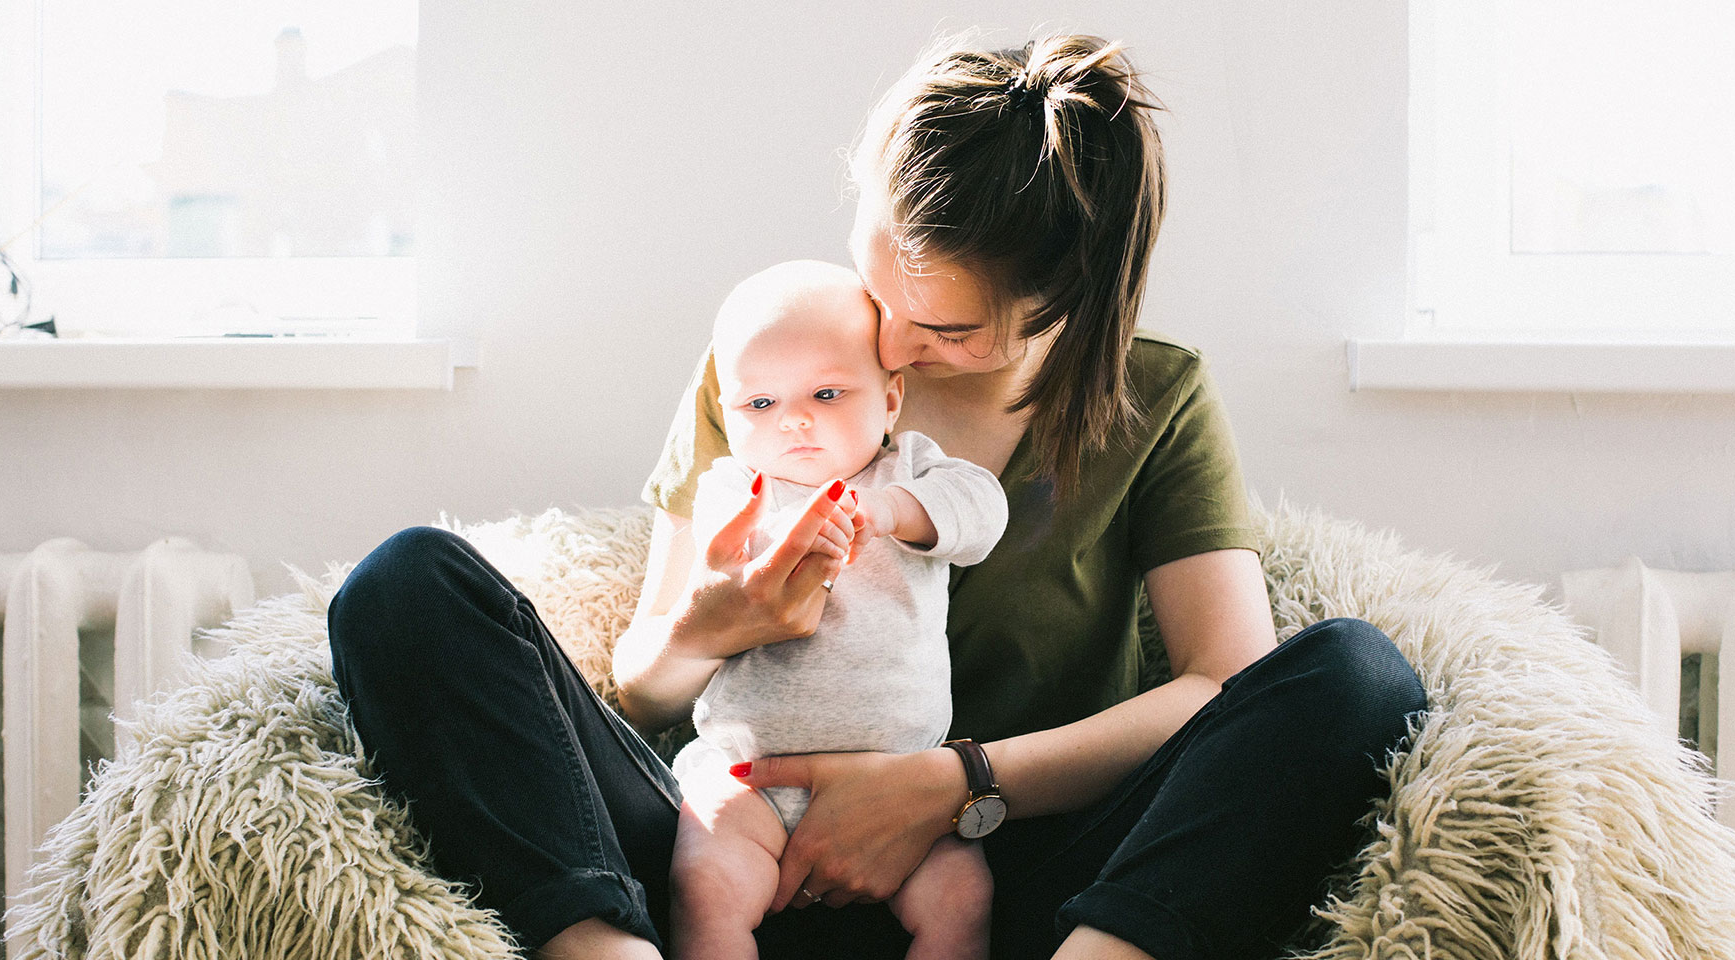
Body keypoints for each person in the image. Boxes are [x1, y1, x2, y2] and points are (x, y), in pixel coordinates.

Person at [327, 31, 1428, 960]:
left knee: (1358, 678)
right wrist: (715, 628)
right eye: (878, 280)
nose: (890, 345)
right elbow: (646, 693)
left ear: (1065, 304)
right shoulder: (779, 364)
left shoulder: (1156, 398)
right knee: (404, 586)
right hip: (726, 855)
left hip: (999, 886)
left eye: (945, 329)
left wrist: (951, 788)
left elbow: (1221, 684)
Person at [668, 259, 1007, 960]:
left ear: (889, 400)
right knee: (703, 891)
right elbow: (718, 547)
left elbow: (983, 512)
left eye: (826, 392)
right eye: (758, 405)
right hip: (748, 780)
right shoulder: (737, 483)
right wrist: (734, 554)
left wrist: (889, 512)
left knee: (964, 899)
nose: (792, 420)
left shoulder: (906, 470)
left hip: (901, 790)